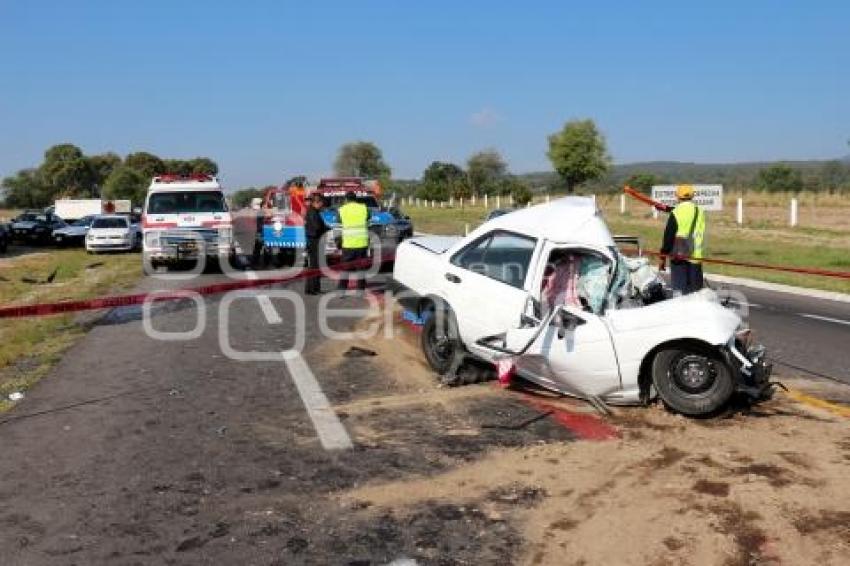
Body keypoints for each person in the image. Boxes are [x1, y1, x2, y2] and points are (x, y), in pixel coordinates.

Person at [659, 184, 706, 294]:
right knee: (696, 294)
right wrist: (667, 208)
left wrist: (663, 255)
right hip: (696, 257)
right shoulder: (700, 211)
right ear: (692, 196)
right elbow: (688, 212)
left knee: (680, 293)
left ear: (677, 196)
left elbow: (668, 236)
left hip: (679, 256)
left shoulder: (676, 212)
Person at [337, 191, 370, 293]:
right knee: (361, 268)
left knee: (345, 268)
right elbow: (369, 217)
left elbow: (339, 221)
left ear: (346, 199)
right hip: (362, 243)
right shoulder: (364, 208)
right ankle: (360, 290)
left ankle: (342, 290)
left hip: (348, 243)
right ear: (356, 199)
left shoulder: (342, 209)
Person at [304, 194, 329, 295]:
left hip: (314, 240)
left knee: (315, 265)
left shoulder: (313, 211)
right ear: (316, 202)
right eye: (321, 203)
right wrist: (325, 229)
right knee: (315, 265)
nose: (322, 205)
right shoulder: (312, 212)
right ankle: (313, 288)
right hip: (315, 241)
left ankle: (313, 288)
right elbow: (316, 227)